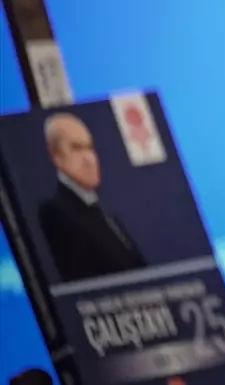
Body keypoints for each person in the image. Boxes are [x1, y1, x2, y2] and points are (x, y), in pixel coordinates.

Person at [37, 112, 147, 283]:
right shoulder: (55, 211)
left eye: (89, 148)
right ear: (55, 156)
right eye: (76, 148)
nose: (89, 159)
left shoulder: (106, 214)